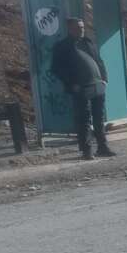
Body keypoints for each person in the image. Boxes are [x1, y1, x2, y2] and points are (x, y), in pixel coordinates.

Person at [50, 18, 114, 160]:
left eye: (83, 27)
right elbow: (56, 69)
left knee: (99, 118)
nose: (82, 30)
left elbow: (99, 61)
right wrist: (72, 83)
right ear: (70, 29)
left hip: (98, 85)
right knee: (84, 119)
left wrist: (105, 79)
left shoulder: (88, 42)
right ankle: (87, 151)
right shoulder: (62, 46)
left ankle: (103, 147)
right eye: (78, 27)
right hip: (81, 88)